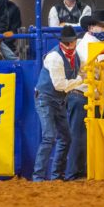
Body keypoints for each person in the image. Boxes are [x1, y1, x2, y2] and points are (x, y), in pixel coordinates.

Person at [64, 10, 104, 180]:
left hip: (95, 98)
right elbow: (94, 62)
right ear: (91, 27)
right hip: (82, 95)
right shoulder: (85, 45)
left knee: (86, 137)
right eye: (102, 26)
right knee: (78, 137)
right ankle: (72, 174)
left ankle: (82, 172)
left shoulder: (103, 44)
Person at [33, 26, 83, 182]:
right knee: (49, 136)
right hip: (46, 98)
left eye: (71, 42)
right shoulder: (55, 57)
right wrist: (80, 80)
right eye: (67, 42)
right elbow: (59, 85)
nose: (70, 45)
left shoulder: (75, 56)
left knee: (65, 137)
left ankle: (56, 176)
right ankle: (39, 177)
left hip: (57, 100)